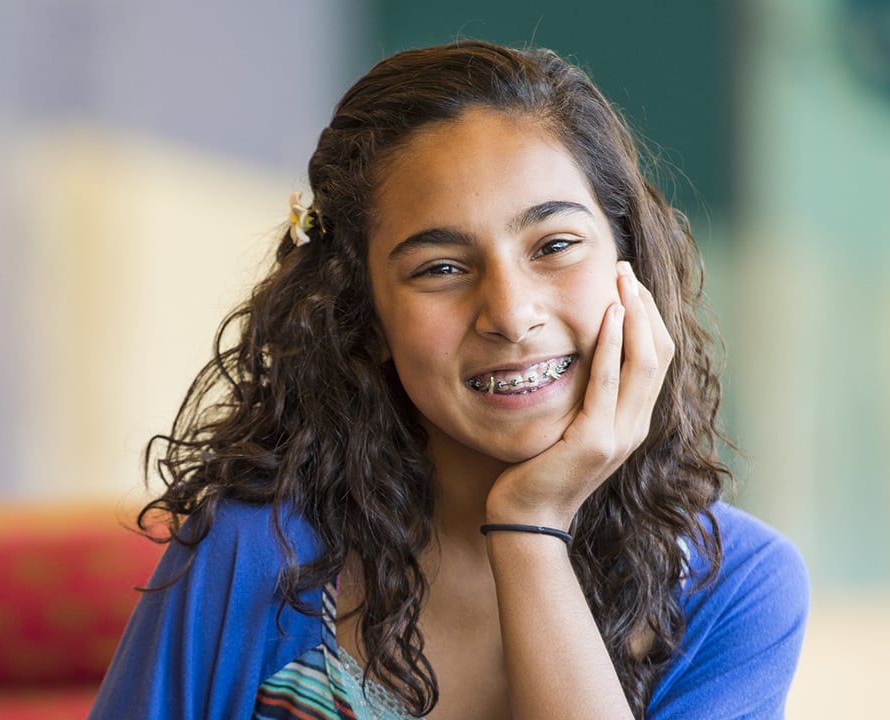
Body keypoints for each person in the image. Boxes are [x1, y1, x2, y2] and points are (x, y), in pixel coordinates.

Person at [89, 40, 808, 719]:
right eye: (440, 268)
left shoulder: (736, 588)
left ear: (633, 270)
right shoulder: (254, 552)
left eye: (555, 245)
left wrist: (531, 526)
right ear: (362, 314)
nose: (510, 313)